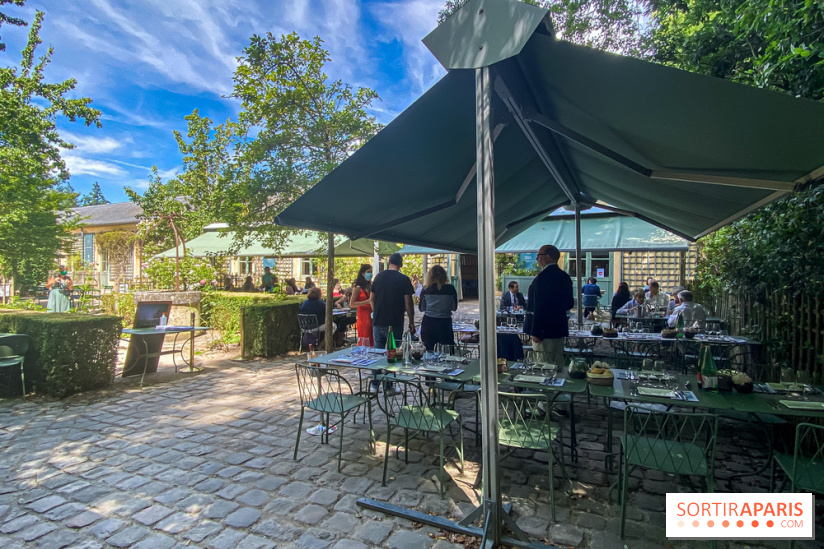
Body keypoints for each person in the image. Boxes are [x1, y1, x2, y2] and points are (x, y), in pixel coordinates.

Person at [371, 253, 415, 391]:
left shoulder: (378, 277)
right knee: (392, 353)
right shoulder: (403, 279)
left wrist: (376, 311)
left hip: (378, 321)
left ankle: (374, 383)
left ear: (389, 262)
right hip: (395, 321)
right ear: (401, 264)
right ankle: (388, 386)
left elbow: (371, 298)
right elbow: (408, 301)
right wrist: (411, 320)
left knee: (378, 352)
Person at [526, 245, 573, 368]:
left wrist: (535, 332)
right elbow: (569, 304)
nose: (537, 259)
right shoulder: (565, 277)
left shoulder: (541, 279)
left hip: (543, 332)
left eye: (539, 256)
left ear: (547, 257)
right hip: (559, 329)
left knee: (543, 366)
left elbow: (538, 307)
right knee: (558, 365)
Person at [419, 265, 458, 350]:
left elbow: (421, 308)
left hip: (429, 323)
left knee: (428, 350)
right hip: (445, 323)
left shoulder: (426, 289)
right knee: (447, 350)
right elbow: (454, 307)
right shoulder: (450, 289)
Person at [349, 264, 374, 346]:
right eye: (368, 272)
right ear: (363, 273)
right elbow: (352, 304)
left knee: (372, 339)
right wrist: (367, 301)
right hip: (363, 316)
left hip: (372, 315)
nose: (370, 274)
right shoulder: (358, 288)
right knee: (365, 340)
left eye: (371, 272)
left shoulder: (371, 285)